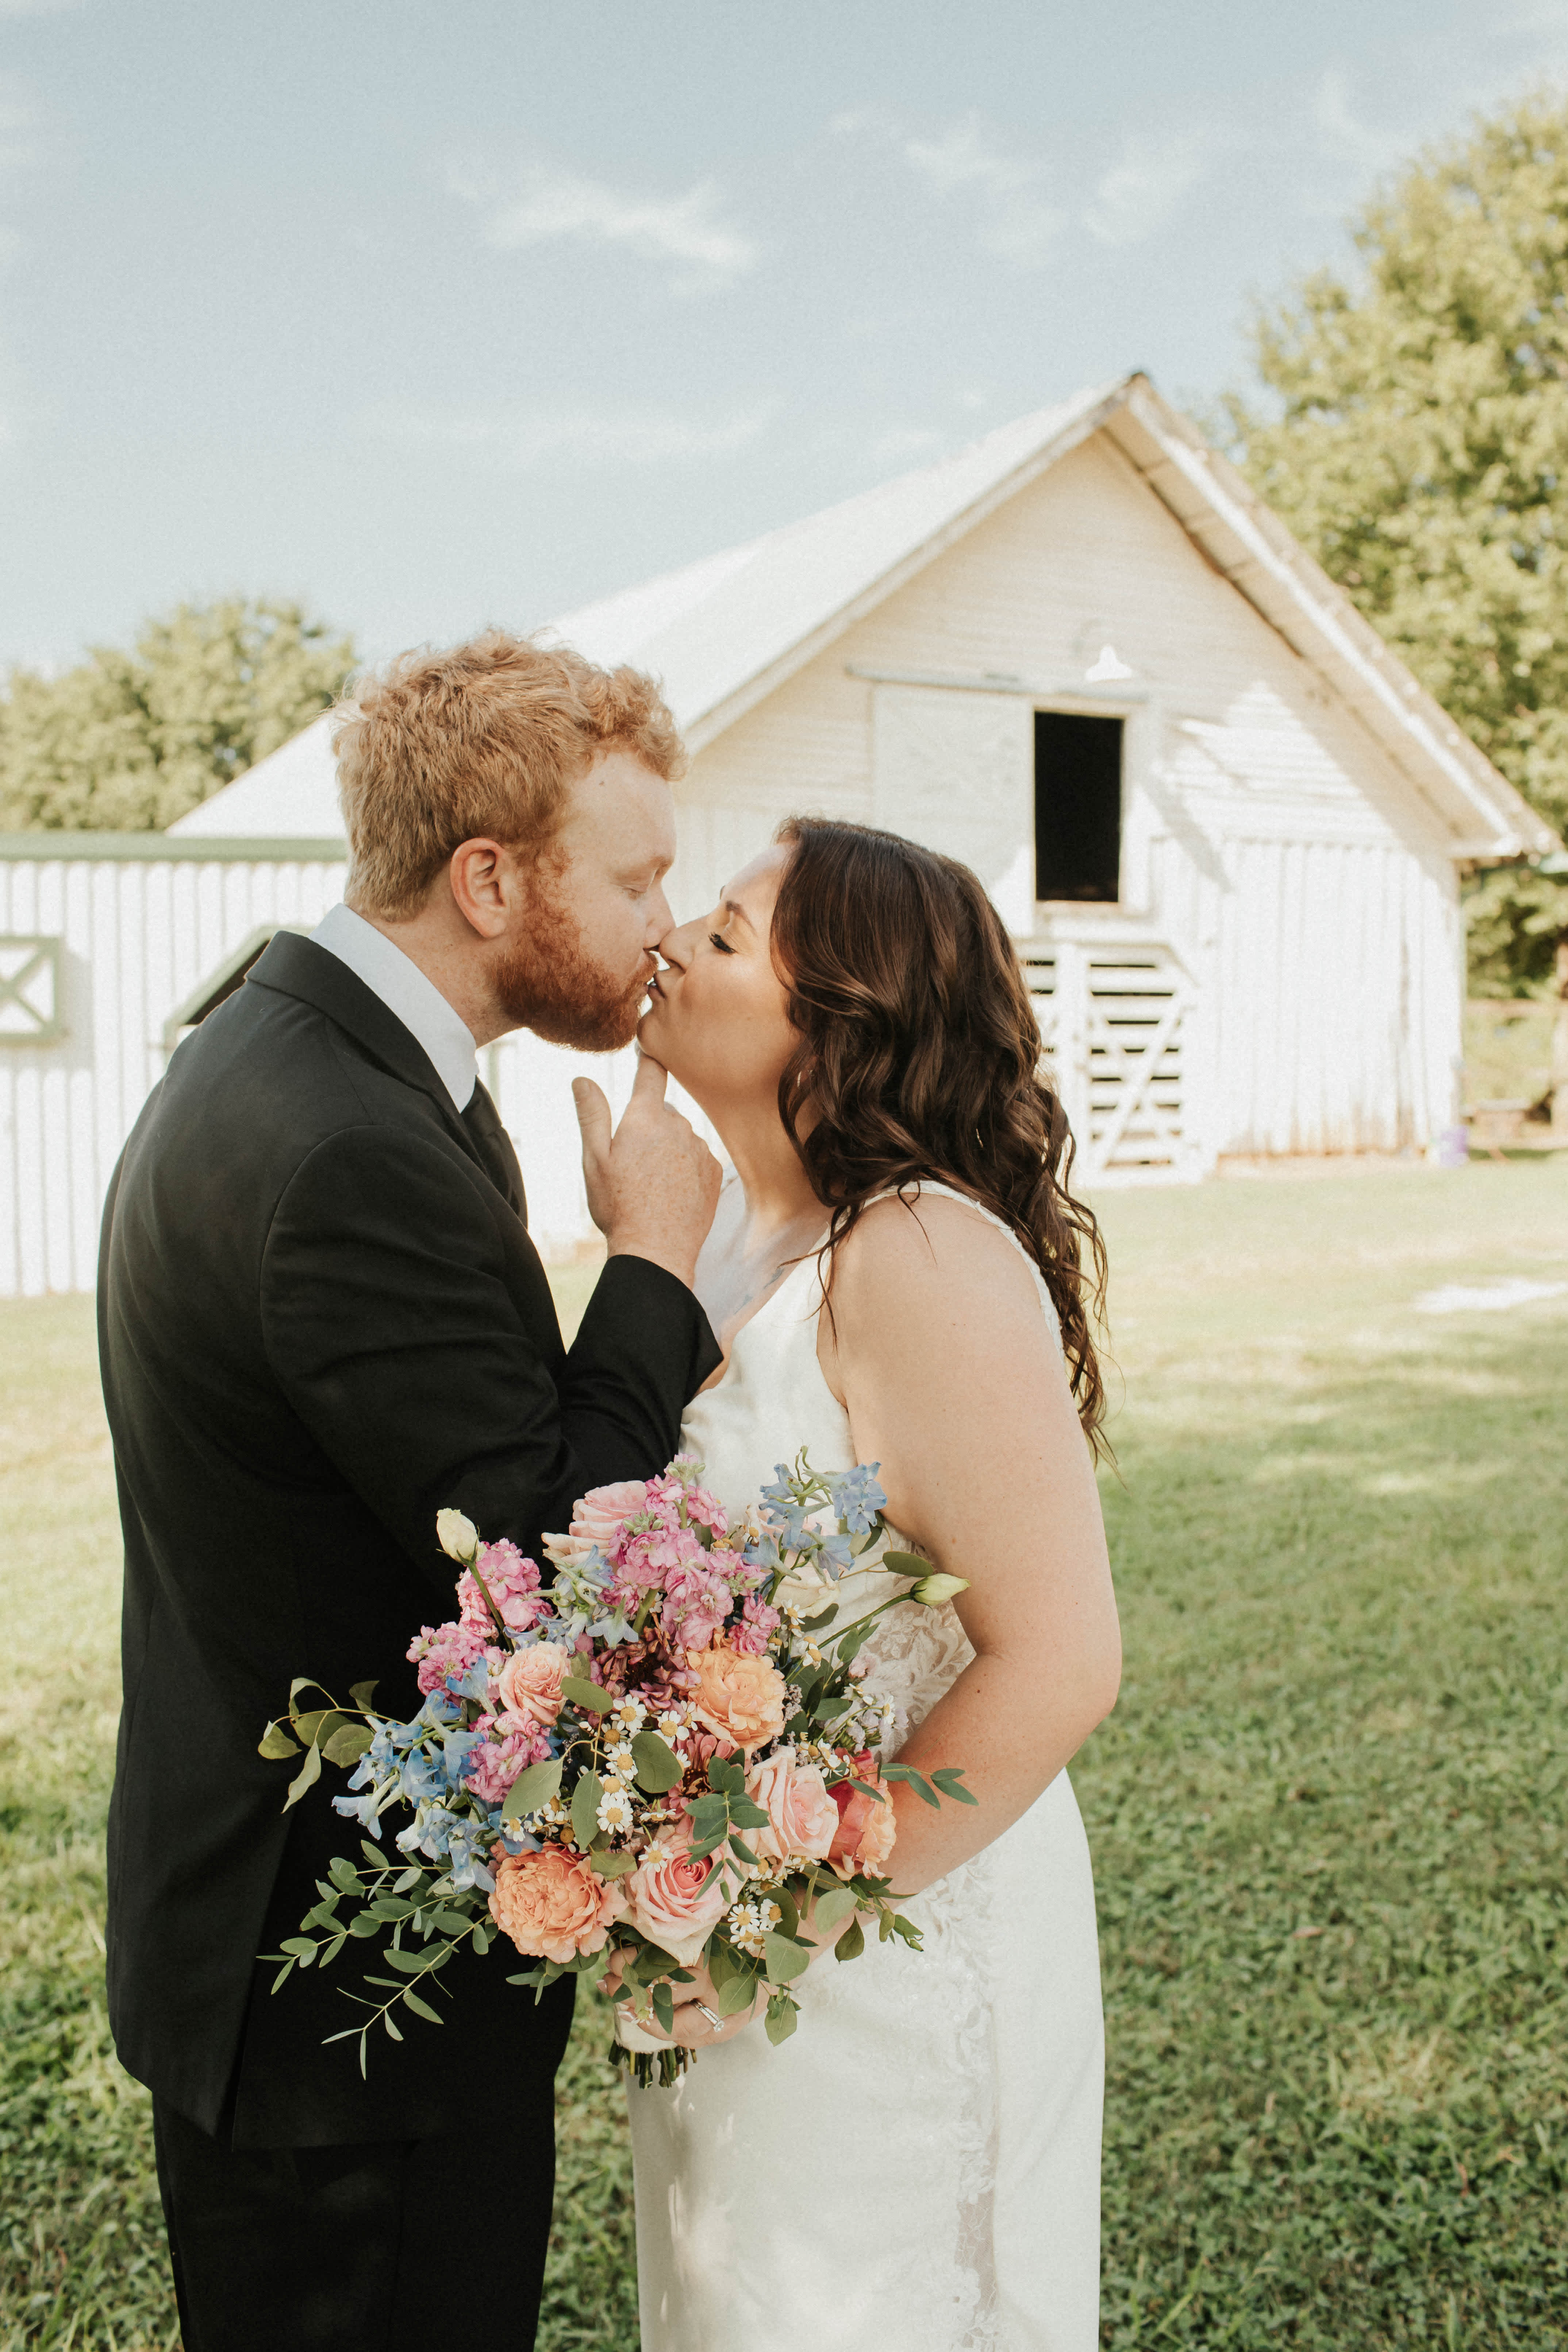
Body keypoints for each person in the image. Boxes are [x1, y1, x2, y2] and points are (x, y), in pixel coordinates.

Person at [97, 632, 723, 2352]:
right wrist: (655, 1261)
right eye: (637, 879)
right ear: (491, 878)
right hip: (335, 2018)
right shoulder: (350, 1142)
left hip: (281, 1949)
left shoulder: (297, 1052)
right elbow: (547, 1559)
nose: (666, 924)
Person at [623, 815, 1122, 2352]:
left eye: (721, 935)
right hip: (732, 1925)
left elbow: (1060, 1659)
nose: (669, 940)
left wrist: (785, 1920)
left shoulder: (916, 1254)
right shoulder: (732, 1243)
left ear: (839, 1022)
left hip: (889, 1948)